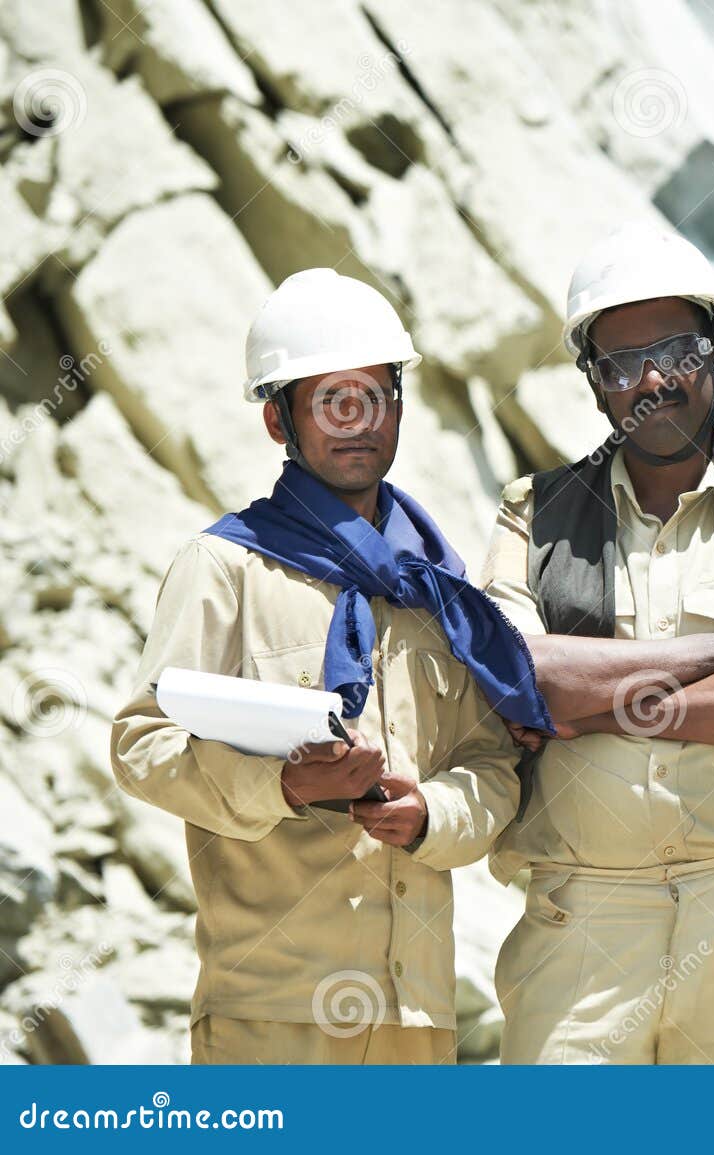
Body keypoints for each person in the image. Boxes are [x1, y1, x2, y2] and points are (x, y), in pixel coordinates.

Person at [110, 268, 546, 1065]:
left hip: (417, 1019)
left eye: (372, 397)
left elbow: (492, 763)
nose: (356, 422)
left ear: (400, 409)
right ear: (279, 420)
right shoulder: (224, 568)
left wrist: (431, 815)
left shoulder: (439, 592)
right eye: (329, 401)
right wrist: (282, 785)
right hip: (271, 1018)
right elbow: (143, 745)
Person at [482, 225, 714, 1064]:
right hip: (580, 918)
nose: (653, 380)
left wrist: (602, 706)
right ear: (595, 386)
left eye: (678, 352)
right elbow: (516, 675)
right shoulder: (533, 516)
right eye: (622, 364)